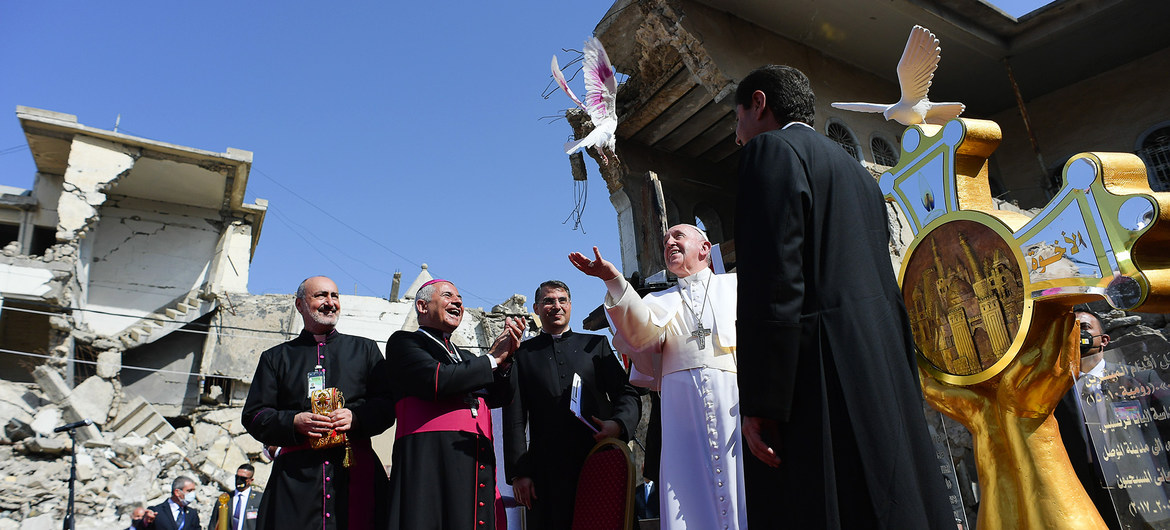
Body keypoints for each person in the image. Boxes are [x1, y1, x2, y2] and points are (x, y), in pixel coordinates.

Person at [731, 64, 955, 528]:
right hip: (880, 363)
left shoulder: (771, 151)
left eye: (737, 121)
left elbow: (773, 282)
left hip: (820, 372)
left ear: (758, 103)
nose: (737, 138)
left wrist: (761, 401)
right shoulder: (855, 172)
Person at [570, 224, 747, 530]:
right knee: (686, 490)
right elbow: (639, 336)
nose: (669, 243)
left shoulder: (735, 288)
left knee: (740, 483)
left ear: (705, 248)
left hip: (733, 402)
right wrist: (613, 280)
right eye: (665, 241)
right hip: (681, 412)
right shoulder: (660, 301)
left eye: (678, 237)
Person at [241, 276, 394, 530]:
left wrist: (356, 417)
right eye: (321, 296)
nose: (330, 302)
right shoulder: (275, 358)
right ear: (300, 304)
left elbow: (388, 405)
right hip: (296, 480)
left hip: (355, 470)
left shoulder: (365, 350)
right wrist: (293, 422)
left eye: (335, 296)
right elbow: (255, 415)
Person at [382, 279, 524, 530]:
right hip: (429, 461)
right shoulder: (404, 343)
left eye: (459, 297)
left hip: (473, 459)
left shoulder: (466, 357)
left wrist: (505, 360)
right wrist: (492, 358)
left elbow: (500, 396)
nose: (458, 301)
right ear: (423, 306)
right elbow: (435, 380)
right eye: (448, 296)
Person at [502, 280, 641, 529]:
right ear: (535, 307)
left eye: (562, 300)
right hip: (546, 471)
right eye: (548, 301)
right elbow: (514, 418)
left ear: (570, 305)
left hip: (597, 457)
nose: (556, 306)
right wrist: (519, 473)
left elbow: (627, 392)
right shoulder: (522, 354)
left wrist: (618, 424)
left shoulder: (594, 346)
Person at [208, 464, 263, 530]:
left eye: (243, 478)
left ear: (251, 480)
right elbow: (213, 524)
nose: (239, 481)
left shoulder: (260, 499)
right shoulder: (225, 498)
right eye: (237, 477)